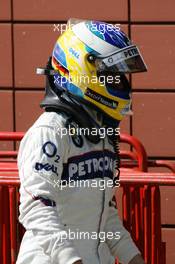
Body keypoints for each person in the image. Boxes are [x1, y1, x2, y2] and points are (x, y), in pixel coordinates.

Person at [16, 19, 147, 264]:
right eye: (113, 76)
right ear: (84, 70)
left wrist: (133, 258)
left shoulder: (102, 133)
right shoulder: (49, 130)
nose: (120, 83)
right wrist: (71, 260)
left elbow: (105, 215)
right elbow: (36, 208)